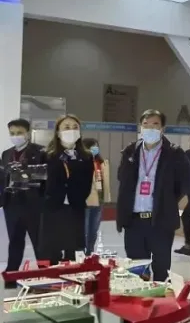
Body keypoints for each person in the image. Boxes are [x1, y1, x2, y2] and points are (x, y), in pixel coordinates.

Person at [116, 110, 190, 282]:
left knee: (161, 269)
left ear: (163, 129)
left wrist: (169, 204)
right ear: (140, 128)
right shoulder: (130, 151)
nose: (150, 128)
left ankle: (160, 297)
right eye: (146, 124)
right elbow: (122, 179)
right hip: (134, 221)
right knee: (136, 270)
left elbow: (183, 185)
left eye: (155, 124)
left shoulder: (174, 153)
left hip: (160, 221)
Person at [39, 115, 94, 265]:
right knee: (51, 249)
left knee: (74, 250)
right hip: (52, 208)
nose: (71, 130)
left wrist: (78, 198)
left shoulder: (86, 156)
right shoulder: (47, 155)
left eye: (75, 127)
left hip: (75, 207)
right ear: (58, 132)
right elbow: (41, 183)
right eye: (67, 127)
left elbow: (87, 183)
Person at [1, 118, 45, 284]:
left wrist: (25, 174)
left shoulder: (40, 151)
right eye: (12, 133)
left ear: (27, 133)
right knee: (15, 241)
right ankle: (11, 276)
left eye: (19, 133)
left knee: (39, 242)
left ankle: (45, 275)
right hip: (12, 205)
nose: (16, 136)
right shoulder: (6, 154)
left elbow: (45, 177)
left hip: (34, 204)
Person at [82, 137, 111, 255]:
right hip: (85, 201)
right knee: (84, 230)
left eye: (96, 146)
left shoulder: (102, 163)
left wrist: (106, 197)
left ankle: (90, 251)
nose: (94, 149)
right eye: (91, 147)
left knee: (93, 230)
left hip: (99, 200)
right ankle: (82, 252)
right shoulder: (81, 162)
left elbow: (105, 182)